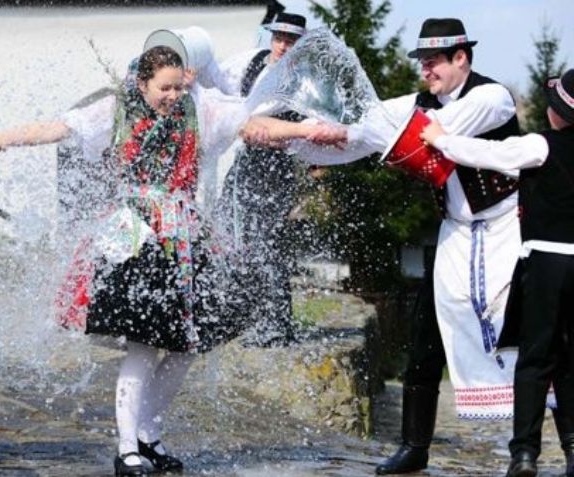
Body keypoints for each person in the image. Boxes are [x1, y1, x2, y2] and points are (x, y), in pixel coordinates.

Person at [240, 18, 571, 475]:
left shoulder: (491, 97)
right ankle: (415, 447)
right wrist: (301, 135)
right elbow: (365, 130)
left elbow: (425, 135)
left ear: (462, 58)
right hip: (456, 232)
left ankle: (569, 448)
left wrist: (348, 132)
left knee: (543, 342)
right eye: (423, 62)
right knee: (426, 338)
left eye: (435, 61)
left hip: (506, 231)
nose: (426, 70)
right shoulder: (418, 103)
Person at [0, 45, 249, 477]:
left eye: (178, 86)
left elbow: (253, 124)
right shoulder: (115, 111)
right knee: (140, 345)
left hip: (185, 236)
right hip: (135, 235)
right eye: (164, 88)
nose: (172, 95)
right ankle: (126, 447)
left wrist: (316, 131)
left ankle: (150, 435)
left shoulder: (200, 111)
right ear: (142, 83)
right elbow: (54, 129)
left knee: (187, 346)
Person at [419, 68, 574, 477]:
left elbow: (489, 154)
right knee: (570, 359)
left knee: (535, 359)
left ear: (557, 112)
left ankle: (524, 453)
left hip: (546, 261)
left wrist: (441, 140)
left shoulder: (542, 145)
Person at [205, 12, 309, 345]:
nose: (282, 45)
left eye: (290, 41)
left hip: (278, 165)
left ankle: (276, 325)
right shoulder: (252, 64)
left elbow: (308, 130)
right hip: (246, 159)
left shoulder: (305, 82)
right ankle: (236, 313)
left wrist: (272, 135)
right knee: (226, 228)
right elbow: (220, 82)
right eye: (278, 38)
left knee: (266, 241)